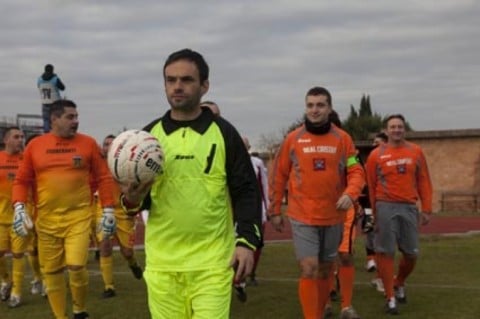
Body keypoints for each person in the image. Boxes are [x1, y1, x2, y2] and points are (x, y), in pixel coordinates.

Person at [120, 48, 262, 319]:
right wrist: (131, 200)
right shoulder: (147, 138)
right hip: (163, 266)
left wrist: (246, 242)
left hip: (212, 265)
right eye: (170, 80)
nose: (177, 86)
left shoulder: (224, 133)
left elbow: (246, 191)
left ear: (204, 86)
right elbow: (133, 203)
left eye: (186, 80)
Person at [12, 99, 116, 319]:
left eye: (76, 116)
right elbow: (21, 181)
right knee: (52, 272)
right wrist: (19, 207)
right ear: (54, 119)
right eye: (70, 117)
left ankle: (79, 309)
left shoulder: (88, 144)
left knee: (77, 265)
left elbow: (104, 177)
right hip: (46, 221)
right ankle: (61, 316)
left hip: (78, 217)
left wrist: (108, 208)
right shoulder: (35, 146)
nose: (76, 121)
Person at [268, 87, 365, 319]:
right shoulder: (293, 139)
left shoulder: (343, 139)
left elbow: (356, 171)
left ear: (329, 108)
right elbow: (279, 175)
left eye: (320, 105)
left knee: (324, 270)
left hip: (333, 215)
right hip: (303, 215)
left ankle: (320, 311)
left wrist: (351, 193)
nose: (315, 110)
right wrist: (275, 210)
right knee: (308, 268)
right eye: (310, 105)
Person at [365, 114, 432, 315]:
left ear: (404, 129)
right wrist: (374, 212)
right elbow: (371, 186)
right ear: (386, 131)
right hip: (385, 206)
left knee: (411, 253)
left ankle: (399, 282)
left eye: (400, 126)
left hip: (409, 207)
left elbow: (424, 181)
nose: (396, 130)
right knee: (385, 252)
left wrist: (426, 208)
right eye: (392, 127)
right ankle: (390, 297)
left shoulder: (416, 151)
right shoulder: (376, 155)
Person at [95, 134, 143, 299]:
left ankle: (133, 263)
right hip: (102, 210)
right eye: (105, 144)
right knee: (105, 246)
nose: (108, 146)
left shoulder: (126, 164)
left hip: (123, 212)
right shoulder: (97, 165)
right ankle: (109, 287)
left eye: (111, 144)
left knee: (127, 251)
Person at [0, 127, 29, 307]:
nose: (20, 139)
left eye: (22, 136)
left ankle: (17, 292)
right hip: (0, 217)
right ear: (6, 140)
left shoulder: (26, 159)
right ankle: (6, 280)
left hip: (20, 216)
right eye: (16, 137)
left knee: (19, 255)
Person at [360, 132, 388, 294]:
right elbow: (364, 185)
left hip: (386, 205)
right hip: (370, 205)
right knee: (371, 233)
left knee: (384, 241)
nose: (375, 146)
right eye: (374, 143)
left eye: (378, 143)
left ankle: (380, 274)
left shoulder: (388, 160)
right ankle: (373, 264)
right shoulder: (368, 161)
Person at [37, 64, 66, 133]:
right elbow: (63, 88)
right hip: (55, 102)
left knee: (46, 120)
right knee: (57, 118)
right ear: (52, 70)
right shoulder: (55, 79)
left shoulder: (39, 79)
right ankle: (57, 132)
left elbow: (39, 87)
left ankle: (47, 134)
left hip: (45, 102)